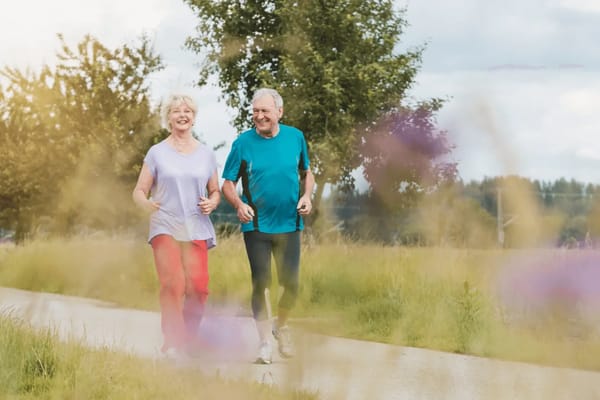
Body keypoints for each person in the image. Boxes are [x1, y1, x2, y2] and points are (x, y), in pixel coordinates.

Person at [221, 88, 315, 364]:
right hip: (257, 225)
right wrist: (239, 205)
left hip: (290, 223)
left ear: (279, 113)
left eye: (265, 111)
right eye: (255, 111)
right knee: (261, 282)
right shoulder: (242, 143)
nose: (259, 116)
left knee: (292, 285)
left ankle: (280, 325)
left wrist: (307, 196)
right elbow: (227, 183)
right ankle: (264, 343)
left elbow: (307, 173)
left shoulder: (295, 137)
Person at [132, 94, 220, 357]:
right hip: (165, 225)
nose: (182, 115)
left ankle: (188, 340)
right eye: (176, 111)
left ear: (194, 117)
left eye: (187, 111)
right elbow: (138, 190)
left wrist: (212, 203)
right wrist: (145, 203)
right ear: (168, 117)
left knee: (199, 287)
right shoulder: (157, 152)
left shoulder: (206, 154)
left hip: (196, 226)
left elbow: (215, 190)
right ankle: (173, 341)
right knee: (173, 283)